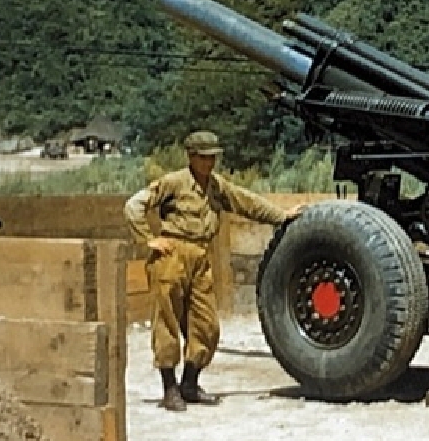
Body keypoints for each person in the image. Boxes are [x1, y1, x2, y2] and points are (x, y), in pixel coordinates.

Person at [125, 130, 305, 412]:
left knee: (206, 325)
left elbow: (247, 202)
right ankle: (169, 389)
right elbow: (134, 205)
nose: (210, 163)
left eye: (213, 157)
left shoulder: (216, 186)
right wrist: (148, 238)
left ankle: (190, 383)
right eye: (204, 157)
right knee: (167, 321)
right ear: (191, 157)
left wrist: (282, 216)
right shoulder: (174, 182)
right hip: (172, 255)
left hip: (200, 256)